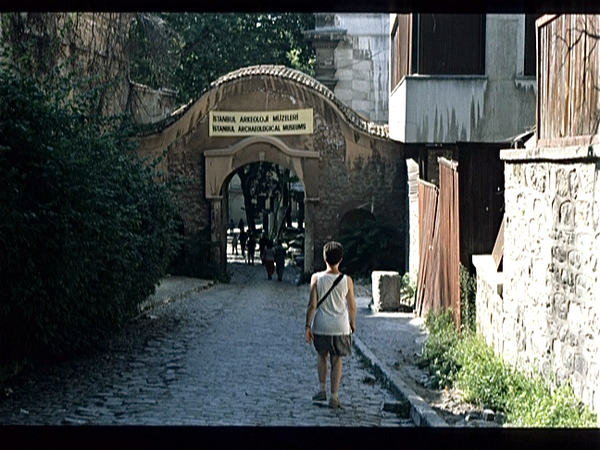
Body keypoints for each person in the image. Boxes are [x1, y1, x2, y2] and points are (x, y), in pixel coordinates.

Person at [304, 241, 356, 409]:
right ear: (340, 259)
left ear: (324, 258)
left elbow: (312, 305)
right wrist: (352, 322)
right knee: (337, 360)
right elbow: (352, 306)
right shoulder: (347, 280)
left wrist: (307, 326)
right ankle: (334, 397)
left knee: (322, 356)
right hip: (340, 326)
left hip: (321, 325)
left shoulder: (316, 278)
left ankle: (322, 390)